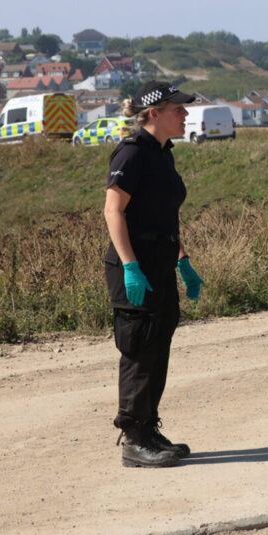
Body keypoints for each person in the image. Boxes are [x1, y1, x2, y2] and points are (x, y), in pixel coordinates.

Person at [102, 80, 202, 468]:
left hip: (161, 261)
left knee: (158, 346)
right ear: (155, 113)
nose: (185, 114)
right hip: (136, 265)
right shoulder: (132, 153)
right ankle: (133, 438)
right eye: (178, 109)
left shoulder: (163, 153)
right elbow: (113, 211)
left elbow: (165, 215)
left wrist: (182, 259)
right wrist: (129, 265)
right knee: (140, 350)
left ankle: (148, 427)